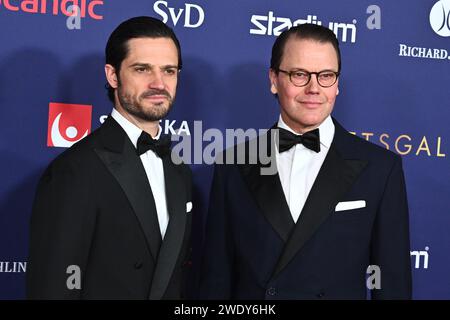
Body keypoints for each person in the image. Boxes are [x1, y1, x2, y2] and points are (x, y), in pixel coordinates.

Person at [199, 23, 412, 299]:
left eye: (326, 76)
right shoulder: (233, 165)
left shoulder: (381, 168)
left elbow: (392, 285)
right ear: (274, 80)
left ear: (337, 85)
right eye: (299, 74)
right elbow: (217, 279)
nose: (314, 88)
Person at [26, 16, 192, 299]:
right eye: (142, 69)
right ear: (113, 75)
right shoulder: (75, 171)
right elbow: (53, 286)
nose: (158, 83)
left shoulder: (179, 171)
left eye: (169, 71)